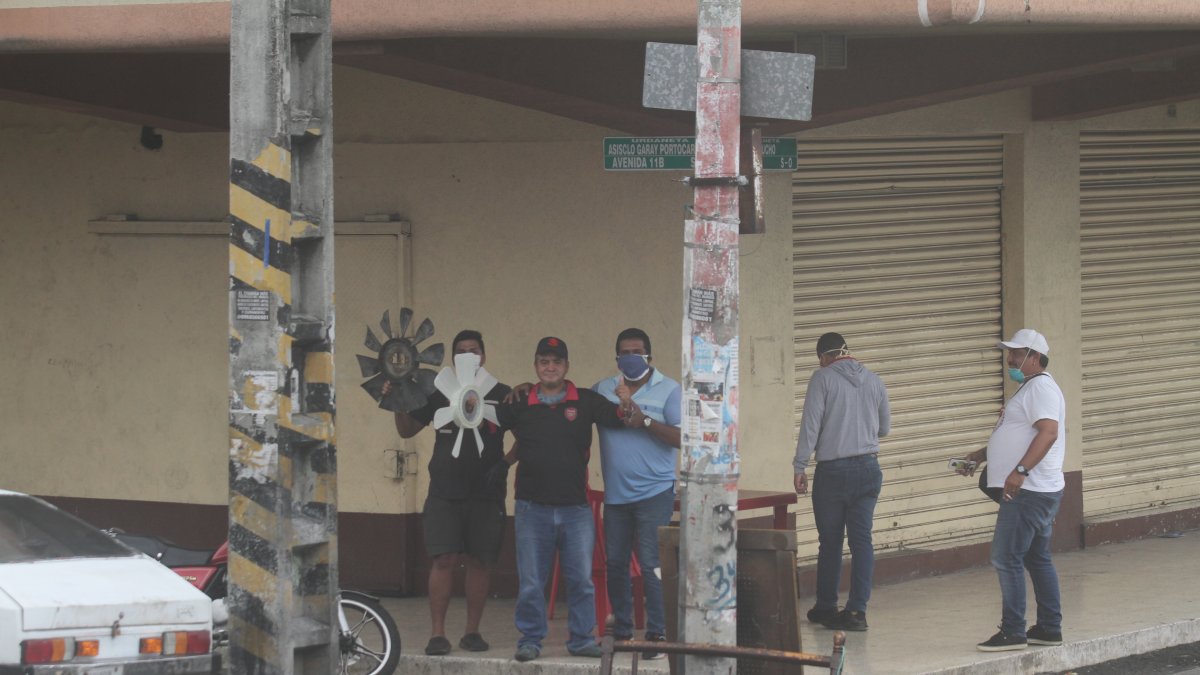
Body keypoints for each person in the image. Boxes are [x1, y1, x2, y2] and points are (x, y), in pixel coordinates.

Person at [495, 336, 632, 663]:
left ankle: (582, 639)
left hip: (575, 509)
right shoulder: (520, 401)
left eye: (556, 362)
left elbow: (620, 417)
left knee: (581, 581)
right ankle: (530, 639)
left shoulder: (585, 400)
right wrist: (517, 390)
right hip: (531, 508)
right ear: (535, 366)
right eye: (544, 362)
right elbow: (494, 423)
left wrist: (626, 400)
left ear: (567, 366)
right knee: (531, 582)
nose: (550, 367)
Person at [384, 330, 510, 656]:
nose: (468, 355)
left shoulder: (500, 393)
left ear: (484, 355)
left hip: (487, 492)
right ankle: (437, 634)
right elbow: (406, 430)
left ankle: (472, 632)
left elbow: (527, 429)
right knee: (443, 560)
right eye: (461, 351)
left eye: (474, 350)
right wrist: (398, 400)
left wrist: (507, 463)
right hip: (444, 490)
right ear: (453, 358)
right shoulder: (438, 391)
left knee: (480, 561)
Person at [958, 328, 1066, 652]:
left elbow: (1048, 433)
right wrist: (982, 455)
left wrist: (1020, 472)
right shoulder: (1029, 387)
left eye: (1017, 354)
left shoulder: (1041, 388)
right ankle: (1048, 628)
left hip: (1028, 491)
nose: (1010, 360)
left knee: (1006, 557)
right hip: (1034, 489)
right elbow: (1018, 433)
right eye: (1009, 353)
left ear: (1035, 357)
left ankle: (1013, 631)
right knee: (1036, 557)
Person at [592, 328, 681, 660]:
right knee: (615, 563)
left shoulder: (670, 390)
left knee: (651, 563)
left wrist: (645, 422)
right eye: (625, 353)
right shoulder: (603, 390)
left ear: (649, 356)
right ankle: (624, 632)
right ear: (617, 358)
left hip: (655, 492)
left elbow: (682, 438)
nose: (631, 357)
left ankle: (657, 634)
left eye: (638, 352)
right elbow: (572, 403)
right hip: (616, 496)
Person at [792, 332, 890, 632]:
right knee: (862, 541)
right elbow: (884, 428)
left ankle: (826, 605)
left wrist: (800, 465)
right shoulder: (874, 379)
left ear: (824, 357)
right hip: (869, 469)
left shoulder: (822, 378)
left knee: (831, 541)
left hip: (833, 472)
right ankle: (857, 611)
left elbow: (811, 425)